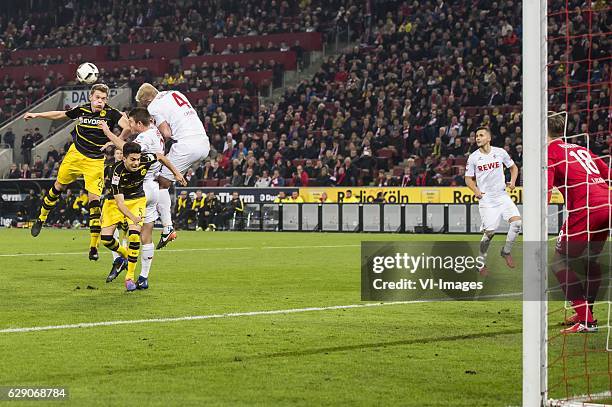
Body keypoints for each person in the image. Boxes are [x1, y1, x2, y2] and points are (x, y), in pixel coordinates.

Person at [24, 84, 130, 261]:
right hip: (75, 155)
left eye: (103, 99)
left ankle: (93, 247)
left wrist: (114, 140)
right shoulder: (81, 110)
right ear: (91, 97)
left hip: (95, 161)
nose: (100, 101)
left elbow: (127, 126)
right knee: (58, 187)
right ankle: (41, 218)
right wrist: (36, 114)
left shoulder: (111, 113)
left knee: (94, 201)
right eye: (97, 98)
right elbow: (59, 115)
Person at [547, 113, 611, 333]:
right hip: (607, 204)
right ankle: (587, 312)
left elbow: (545, 191)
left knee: (559, 263)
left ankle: (587, 321)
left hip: (585, 209)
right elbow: (608, 174)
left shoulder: (549, 152)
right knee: (590, 261)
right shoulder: (580, 149)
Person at [100, 108, 175, 290]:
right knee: (145, 236)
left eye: (132, 123)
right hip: (154, 187)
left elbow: (125, 148)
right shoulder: (156, 130)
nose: (130, 127)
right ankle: (143, 277)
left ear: (140, 124)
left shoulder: (142, 139)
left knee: (122, 227)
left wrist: (108, 133)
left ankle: (121, 259)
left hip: (139, 186)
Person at [134, 83, 210, 249]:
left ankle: (167, 226)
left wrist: (151, 137)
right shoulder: (175, 93)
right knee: (163, 180)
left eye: (144, 104)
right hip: (203, 142)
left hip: (186, 144)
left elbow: (166, 133)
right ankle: (164, 224)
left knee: (159, 181)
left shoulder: (154, 105)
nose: (146, 108)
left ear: (147, 99)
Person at [465, 126, 521, 276]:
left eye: (481, 135)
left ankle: (506, 251)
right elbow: (468, 178)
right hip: (487, 199)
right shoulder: (473, 157)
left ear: (488, 138)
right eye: (476, 135)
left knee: (517, 223)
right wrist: (476, 191)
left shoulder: (500, 152)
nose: (477, 138)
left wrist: (513, 182)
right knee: (489, 233)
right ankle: (480, 263)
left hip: (502, 195)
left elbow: (514, 168)